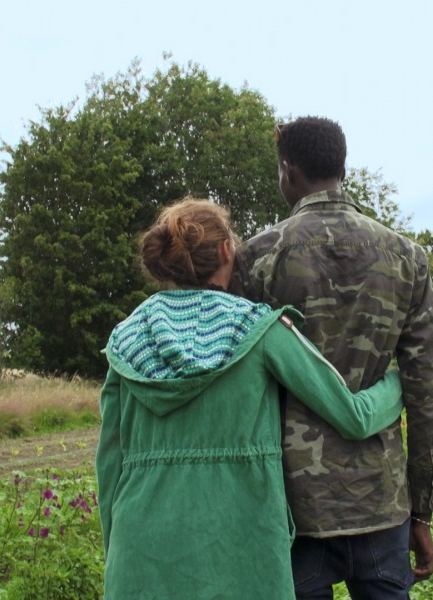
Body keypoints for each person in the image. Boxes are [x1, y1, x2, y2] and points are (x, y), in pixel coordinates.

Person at [95, 198, 405, 599]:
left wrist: (115, 554)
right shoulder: (259, 329)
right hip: (243, 554)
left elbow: (109, 465)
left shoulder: (125, 340)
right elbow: (353, 417)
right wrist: (398, 383)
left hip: (140, 554)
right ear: (227, 250)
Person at [232, 116, 433, 599]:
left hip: (294, 514)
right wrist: (422, 510)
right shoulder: (407, 258)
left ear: (289, 171)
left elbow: (241, 394)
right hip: (382, 505)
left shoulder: (257, 258)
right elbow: (428, 392)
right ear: (340, 167)